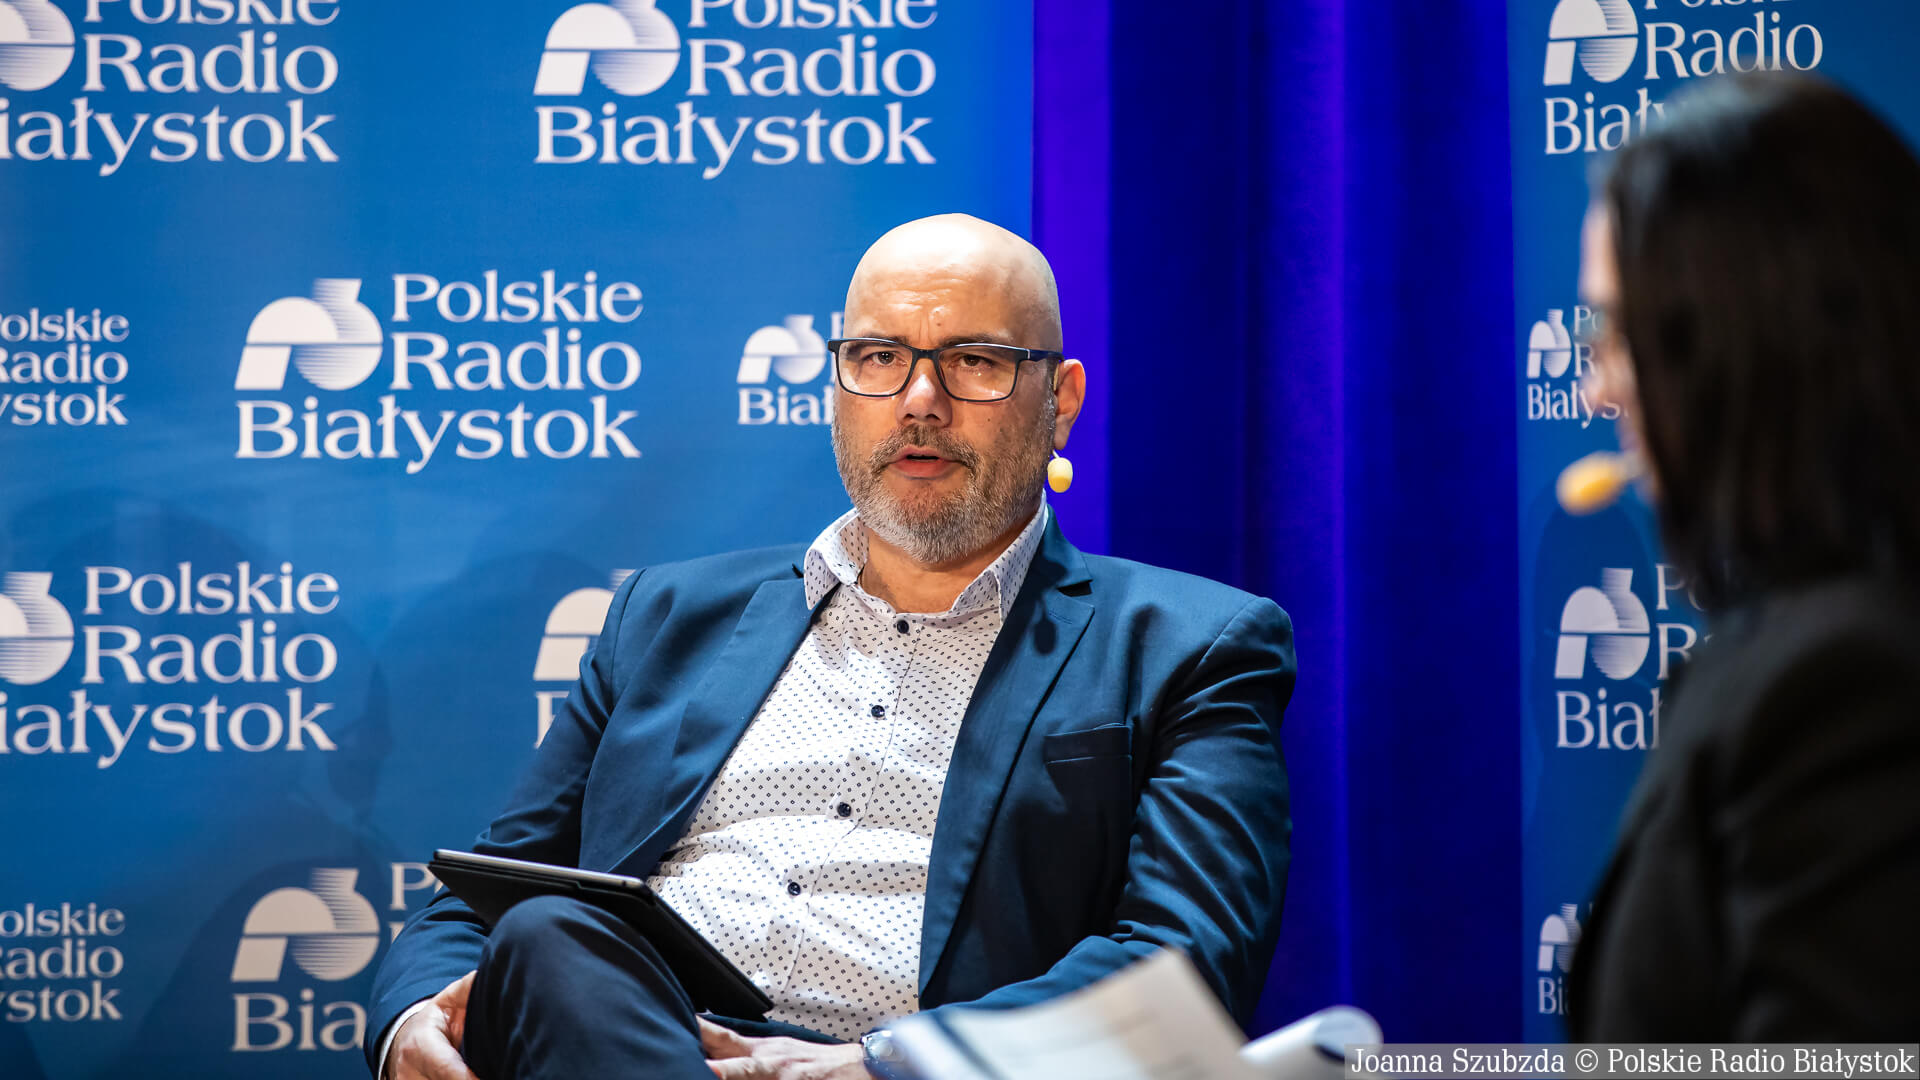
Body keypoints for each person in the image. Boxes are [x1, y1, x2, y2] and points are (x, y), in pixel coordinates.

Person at [366, 214, 1296, 1079]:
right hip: (632, 1034)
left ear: (1060, 401)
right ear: (837, 386)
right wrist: (412, 1026)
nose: (920, 401)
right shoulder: (667, 615)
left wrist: (874, 1065)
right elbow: (485, 895)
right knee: (547, 934)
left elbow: (1183, 964)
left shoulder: (1187, 648)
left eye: (974, 361)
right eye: (880, 357)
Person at [1569, 73, 1920, 1038]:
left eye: (1621, 333)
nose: (1596, 390)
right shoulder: (1795, 645)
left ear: (1746, 337)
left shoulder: (1847, 685)